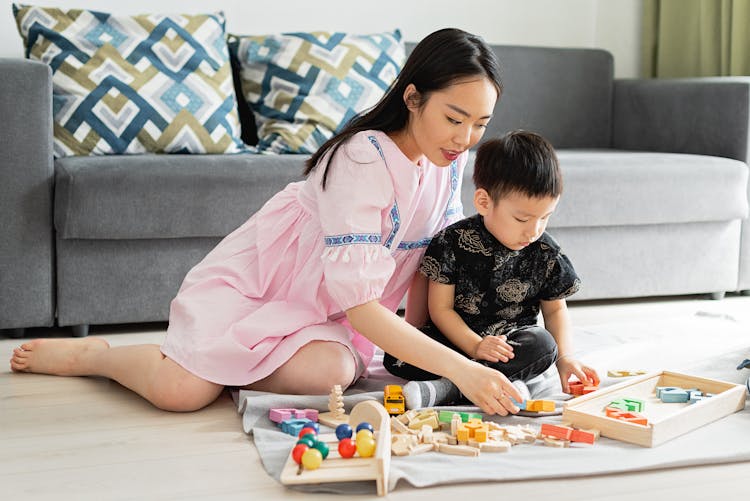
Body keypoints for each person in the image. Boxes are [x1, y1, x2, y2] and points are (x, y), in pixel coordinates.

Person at [9, 28, 523, 415]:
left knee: (335, 374)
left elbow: (430, 261)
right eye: (454, 119)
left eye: (480, 124)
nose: (464, 138)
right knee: (179, 394)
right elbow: (364, 307)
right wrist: (462, 369)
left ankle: (222, 368)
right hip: (268, 288)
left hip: (330, 313)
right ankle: (99, 357)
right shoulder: (362, 159)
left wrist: (449, 343)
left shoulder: (448, 161)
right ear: (412, 99)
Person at [383, 131, 600, 409]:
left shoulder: (545, 252)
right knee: (397, 353)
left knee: (543, 345)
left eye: (545, 217)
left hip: (510, 346)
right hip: (458, 341)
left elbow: (555, 310)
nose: (534, 231)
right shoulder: (452, 242)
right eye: (522, 218)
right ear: (484, 202)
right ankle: (504, 382)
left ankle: (448, 389)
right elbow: (441, 310)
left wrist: (565, 358)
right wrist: (475, 346)